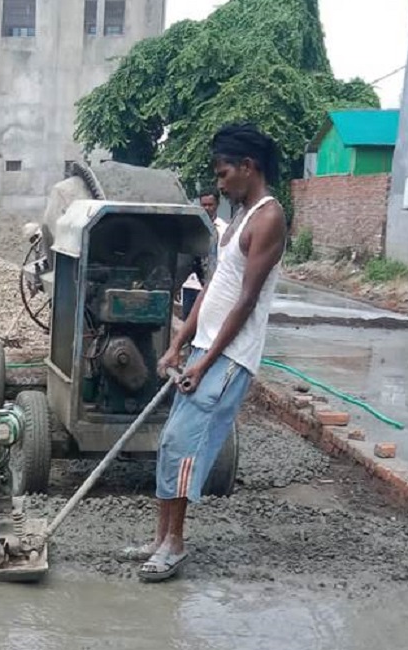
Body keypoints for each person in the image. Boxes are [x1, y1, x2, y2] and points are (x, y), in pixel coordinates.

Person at [122, 124, 288, 583]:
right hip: (205, 348)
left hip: (230, 358)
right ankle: (160, 539)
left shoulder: (268, 219)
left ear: (247, 168)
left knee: (187, 448)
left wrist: (206, 360)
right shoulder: (239, 217)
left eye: (222, 173)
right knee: (171, 444)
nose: (218, 183)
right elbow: (215, 288)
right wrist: (178, 343)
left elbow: (246, 300)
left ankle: (175, 545)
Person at [181, 189, 228, 320]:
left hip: (214, 287)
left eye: (210, 205)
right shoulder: (192, 228)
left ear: (217, 204)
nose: (207, 208)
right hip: (191, 286)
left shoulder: (225, 230)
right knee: (189, 321)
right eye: (203, 205)